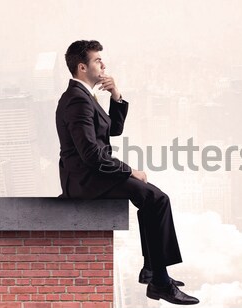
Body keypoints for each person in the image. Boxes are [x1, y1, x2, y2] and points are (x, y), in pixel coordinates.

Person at [56, 40, 199, 305]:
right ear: (81, 67)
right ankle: (161, 282)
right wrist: (129, 171)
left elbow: (112, 131)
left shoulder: (83, 96)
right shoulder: (77, 101)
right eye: (97, 60)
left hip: (93, 173)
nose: (103, 64)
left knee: (151, 198)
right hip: (86, 180)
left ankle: (152, 269)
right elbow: (90, 154)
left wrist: (116, 97)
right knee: (157, 199)